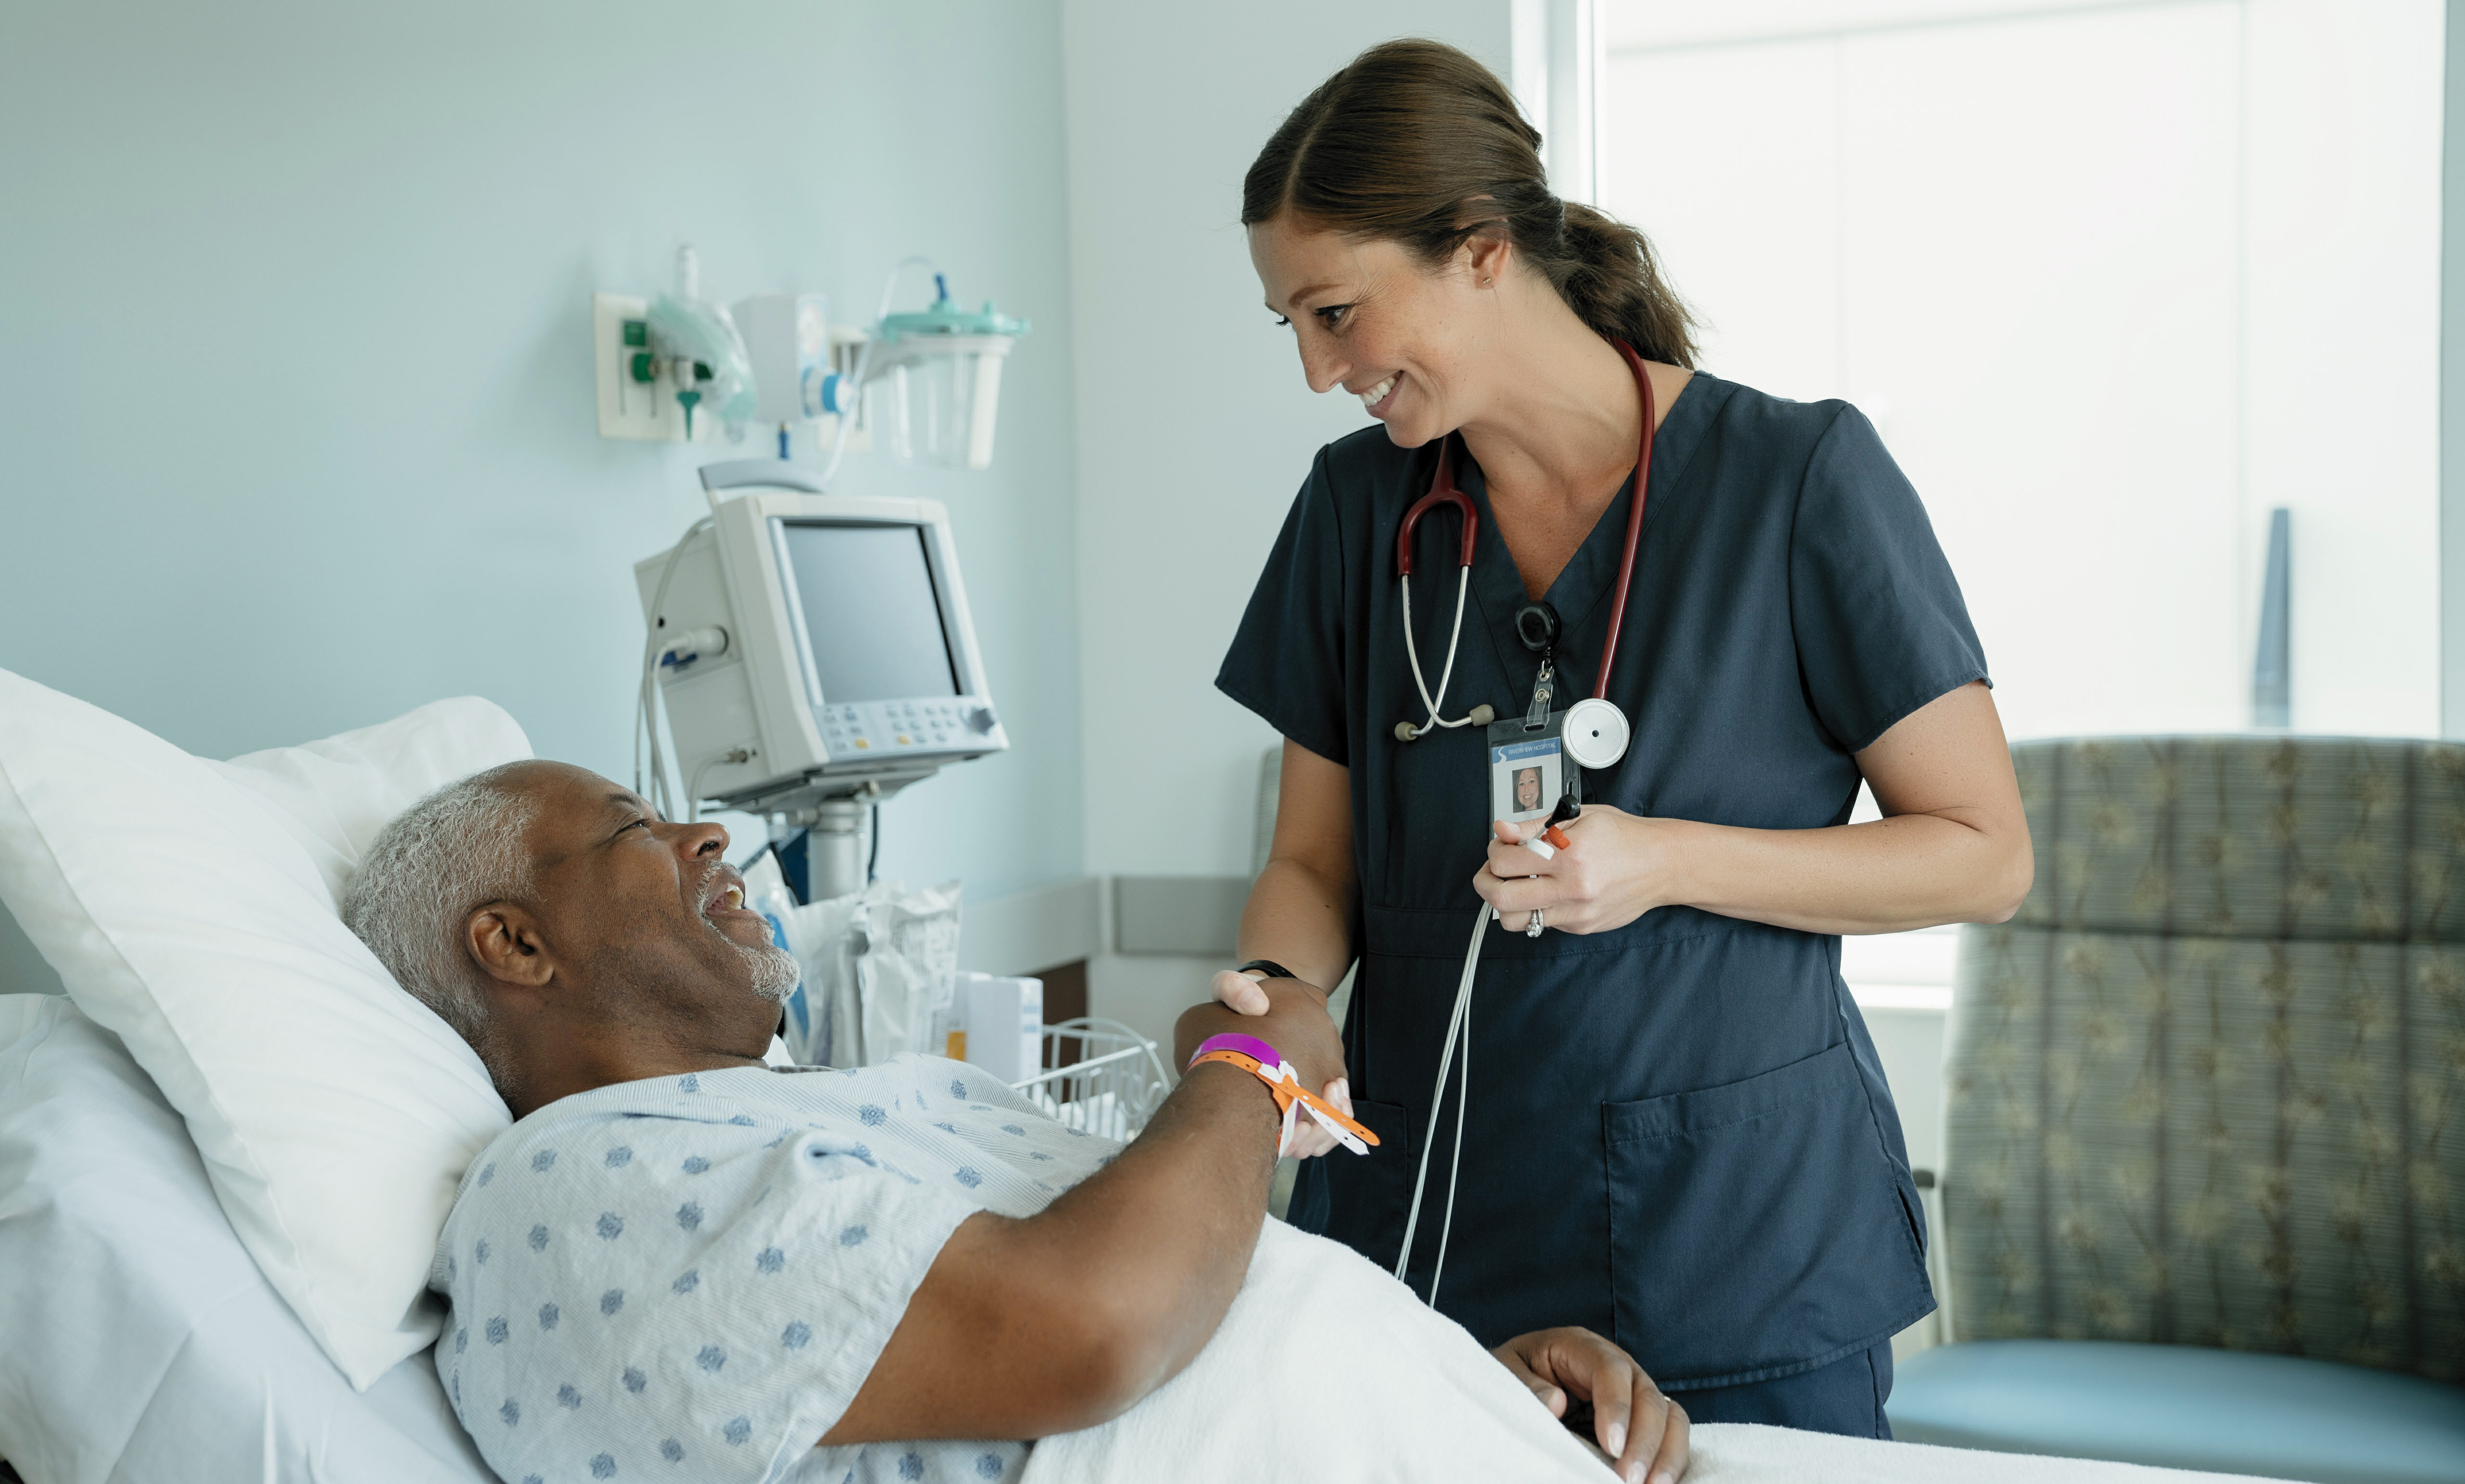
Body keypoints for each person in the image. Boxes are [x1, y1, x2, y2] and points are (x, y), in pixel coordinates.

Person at [1209, 39, 2033, 1438]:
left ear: (1479, 250)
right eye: (1287, 323)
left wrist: (1661, 862)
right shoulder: (1358, 514)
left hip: (1735, 1254)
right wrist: (1278, 998)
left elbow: (1980, 859)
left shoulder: (1796, 483)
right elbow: (1310, 862)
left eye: (1337, 313)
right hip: (1425, 1243)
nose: (1315, 369)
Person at [341, 760, 1692, 1484]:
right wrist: (1250, 1065)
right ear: (514, 943)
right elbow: (1090, 1327)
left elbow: (1182, 1313)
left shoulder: (816, 1106)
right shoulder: (574, 1187)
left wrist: (1455, 1386)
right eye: (634, 825)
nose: (706, 833)